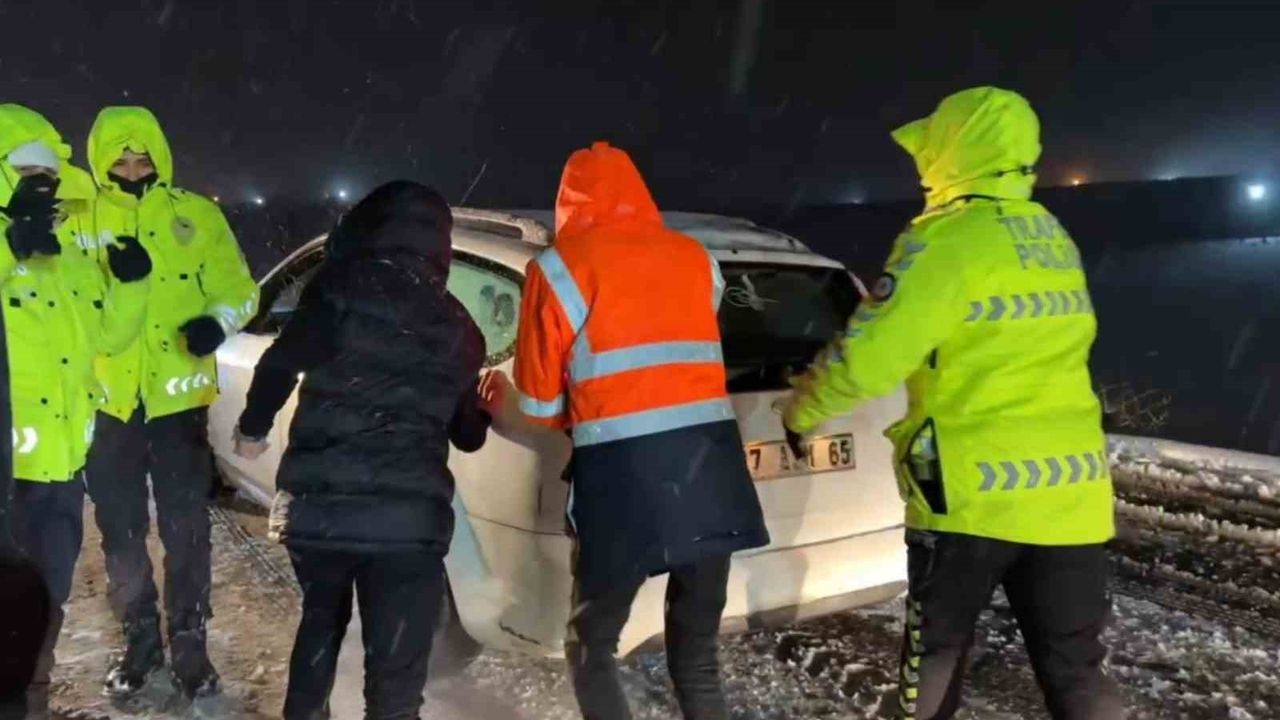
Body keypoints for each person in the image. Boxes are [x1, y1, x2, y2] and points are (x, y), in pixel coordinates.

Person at [782, 87, 1124, 720]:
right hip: (1071, 491)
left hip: (968, 492)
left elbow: (869, 356)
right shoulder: (1051, 236)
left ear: (953, 153)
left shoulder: (943, 241)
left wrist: (801, 412)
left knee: (935, 656)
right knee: (1076, 670)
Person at [484, 141, 769, 720]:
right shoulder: (695, 257)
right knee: (697, 655)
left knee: (593, 647)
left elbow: (541, 405)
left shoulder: (557, 269)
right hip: (711, 470)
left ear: (567, 202)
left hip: (624, 483)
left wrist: (503, 403)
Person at [232, 181, 494, 720]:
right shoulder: (459, 325)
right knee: (397, 669)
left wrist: (253, 429)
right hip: (407, 525)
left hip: (321, 510)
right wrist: (486, 407)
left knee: (320, 621)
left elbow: (280, 362)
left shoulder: (339, 286)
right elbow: (467, 434)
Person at [82, 106, 258, 701]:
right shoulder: (81, 221)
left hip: (178, 406)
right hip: (109, 406)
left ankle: (190, 645)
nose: (134, 170)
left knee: (186, 529)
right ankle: (139, 641)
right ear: (100, 162)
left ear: (160, 157)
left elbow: (241, 290)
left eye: (143, 158)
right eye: (121, 160)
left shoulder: (196, 215)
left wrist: (216, 322)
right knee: (121, 530)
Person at [0, 104, 152, 718]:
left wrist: (132, 285)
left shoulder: (65, 255)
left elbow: (108, 338)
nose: (41, 183)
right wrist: (10, 249)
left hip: (61, 470)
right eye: (24, 171)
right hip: (8, 473)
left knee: (44, 604)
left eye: (47, 172)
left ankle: (29, 705)